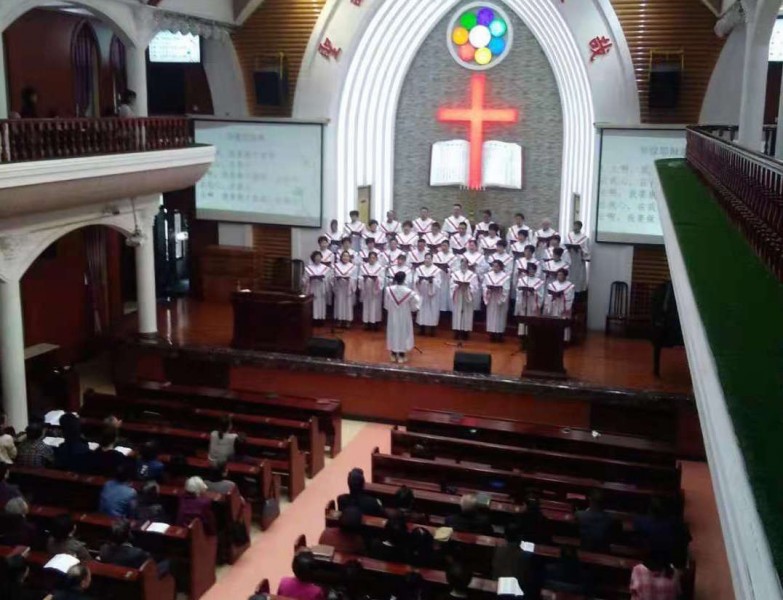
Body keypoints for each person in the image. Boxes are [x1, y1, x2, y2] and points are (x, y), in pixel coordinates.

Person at [633, 497, 691, 568]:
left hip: (649, 557)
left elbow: (637, 537)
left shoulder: (639, 521)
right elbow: (688, 539)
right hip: (671, 559)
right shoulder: (676, 523)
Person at [491, 519, 540, 598]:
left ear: (505, 536)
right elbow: (524, 578)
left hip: (498, 586)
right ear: (520, 537)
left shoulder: (498, 549)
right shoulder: (522, 555)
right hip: (512, 591)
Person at [384, 271, 421, 364]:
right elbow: (415, 305)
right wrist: (413, 308)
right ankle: (401, 355)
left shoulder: (389, 290)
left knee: (393, 332)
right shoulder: (409, 292)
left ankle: (393, 354)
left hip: (393, 315)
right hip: (404, 315)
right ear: (404, 279)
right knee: (403, 333)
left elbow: (386, 305)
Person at [450, 258, 478, 340]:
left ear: (467, 264)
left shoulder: (472, 275)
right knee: (457, 312)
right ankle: (457, 331)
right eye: (462, 263)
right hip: (458, 294)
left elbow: (475, 286)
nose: (463, 265)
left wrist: (468, 287)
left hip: (467, 295)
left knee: (467, 313)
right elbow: (451, 284)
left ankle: (465, 332)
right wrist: (456, 285)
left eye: (465, 263)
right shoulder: (455, 274)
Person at [544, 268, 575, 342]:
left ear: (565, 276)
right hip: (554, 305)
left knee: (563, 321)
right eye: (558, 275)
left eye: (561, 275)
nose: (559, 276)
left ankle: (564, 340)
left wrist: (562, 296)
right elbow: (548, 295)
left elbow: (570, 297)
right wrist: (552, 296)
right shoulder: (552, 285)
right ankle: (553, 338)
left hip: (563, 307)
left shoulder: (570, 286)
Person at [483, 260, 511, 342]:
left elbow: (506, 289)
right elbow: (484, 286)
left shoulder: (505, 277)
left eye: (497, 266)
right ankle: (492, 334)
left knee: (500, 316)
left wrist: (500, 291)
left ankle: (499, 334)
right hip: (491, 298)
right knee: (491, 315)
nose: (495, 268)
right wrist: (487, 289)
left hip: (499, 298)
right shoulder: (488, 275)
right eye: (493, 266)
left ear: (501, 267)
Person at [515, 263, 545, 340]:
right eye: (529, 269)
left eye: (532, 270)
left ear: (535, 271)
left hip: (533, 303)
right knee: (523, 320)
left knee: (532, 320)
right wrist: (522, 292)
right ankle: (523, 337)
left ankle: (531, 337)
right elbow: (518, 290)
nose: (531, 271)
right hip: (524, 302)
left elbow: (541, 294)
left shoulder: (539, 281)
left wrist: (533, 293)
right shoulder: (522, 280)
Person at [415, 253, 441, 337]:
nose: (427, 260)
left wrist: (431, 281)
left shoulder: (436, 270)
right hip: (423, 293)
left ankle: (432, 330)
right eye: (426, 258)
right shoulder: (419, 269)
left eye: (429, 258)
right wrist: (419, 280)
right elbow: (415, 280)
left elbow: (439, 282)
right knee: (422, 311)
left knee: (432, 311)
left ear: (432, 260)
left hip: (432, 294)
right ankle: (422, 329)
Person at [304, 251, 332, 326]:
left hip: (321, 287)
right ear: (313, 258)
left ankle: (321, 319)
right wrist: (309, 279)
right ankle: (313, 319)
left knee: (321, 303)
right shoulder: (308, 268)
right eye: (316, 257)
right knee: (313, 303)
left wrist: (323, 279)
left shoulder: (325, 268)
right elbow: (304, 279)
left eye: (319, 257)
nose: (318, 258)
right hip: (312, 288)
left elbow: (329, 278)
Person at [333, 250, 358, 329]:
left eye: (347, 256)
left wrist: (349, 280)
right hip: (339, 288)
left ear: (349, 257)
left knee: (348, 304)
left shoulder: (353, 267)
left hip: (348, 288)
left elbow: (355, 278)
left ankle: (348, 321)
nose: (345, 257)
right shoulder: (336, 266)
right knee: (339, 303)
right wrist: (336, 278)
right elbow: (331, 277)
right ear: (341, 257)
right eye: (344, 256)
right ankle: (339, 320)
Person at [359, 251, 384, 331]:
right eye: (370, 258)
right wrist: (364, 278)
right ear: (368, 258)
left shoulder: (380, 268)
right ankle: (367, 323)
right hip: (367, 290)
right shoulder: (364, 267)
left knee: (375, 307)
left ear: (376, 258)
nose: (372, 259)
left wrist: (376, 279)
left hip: (375, 291)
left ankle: (376, 323)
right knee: (367, 306)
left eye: (373, 258)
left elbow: (382, 279)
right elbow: (359, 277)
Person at [565, 221, 591, 293]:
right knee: (569, 276)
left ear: (580, 227)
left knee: (578, 277)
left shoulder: (585, 238)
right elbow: (563, 247)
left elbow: (587, 251)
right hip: (569, 259)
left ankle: (578, 292)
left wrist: (580, 250)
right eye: (574, 226)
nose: (575, 227)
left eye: (577, 226)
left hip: (578, 261)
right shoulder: (568, 236)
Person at [434, 240, 457, 315]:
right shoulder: (437, 255)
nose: (443, 247)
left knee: (448, 293)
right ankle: (440, 309)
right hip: (439, 277)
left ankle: (448, 310)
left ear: (448, 246)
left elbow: (455, 268)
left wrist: (448, 270)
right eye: (442, 246)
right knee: (440, 293)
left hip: (448, 278)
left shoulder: (452, 256)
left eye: (445, 246)